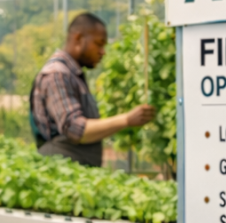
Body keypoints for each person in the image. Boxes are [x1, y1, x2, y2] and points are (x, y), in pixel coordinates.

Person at [30, 11, 155, 166]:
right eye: (99, 44)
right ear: (78, 38)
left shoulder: (73, 74)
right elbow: (75, 129)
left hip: (73, 170)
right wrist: (127, 119)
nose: (102, 51)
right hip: (60, 170)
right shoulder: (57, 74)